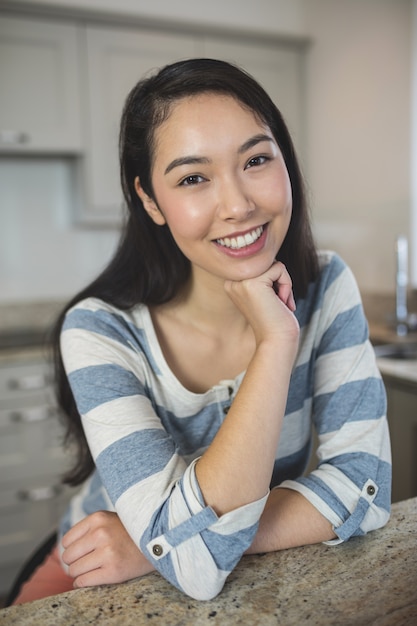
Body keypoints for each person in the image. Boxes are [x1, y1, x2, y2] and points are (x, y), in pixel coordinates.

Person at [12, 58, 391, 605]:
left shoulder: (326, 285)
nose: (239, 205)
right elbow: (194, 568)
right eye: (193, 178)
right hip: (94, 558)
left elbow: (367, 487)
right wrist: (172, 542)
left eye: (256, 160)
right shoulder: (101, 330)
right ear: (149, 201)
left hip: (135, 547)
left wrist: (160, 540)